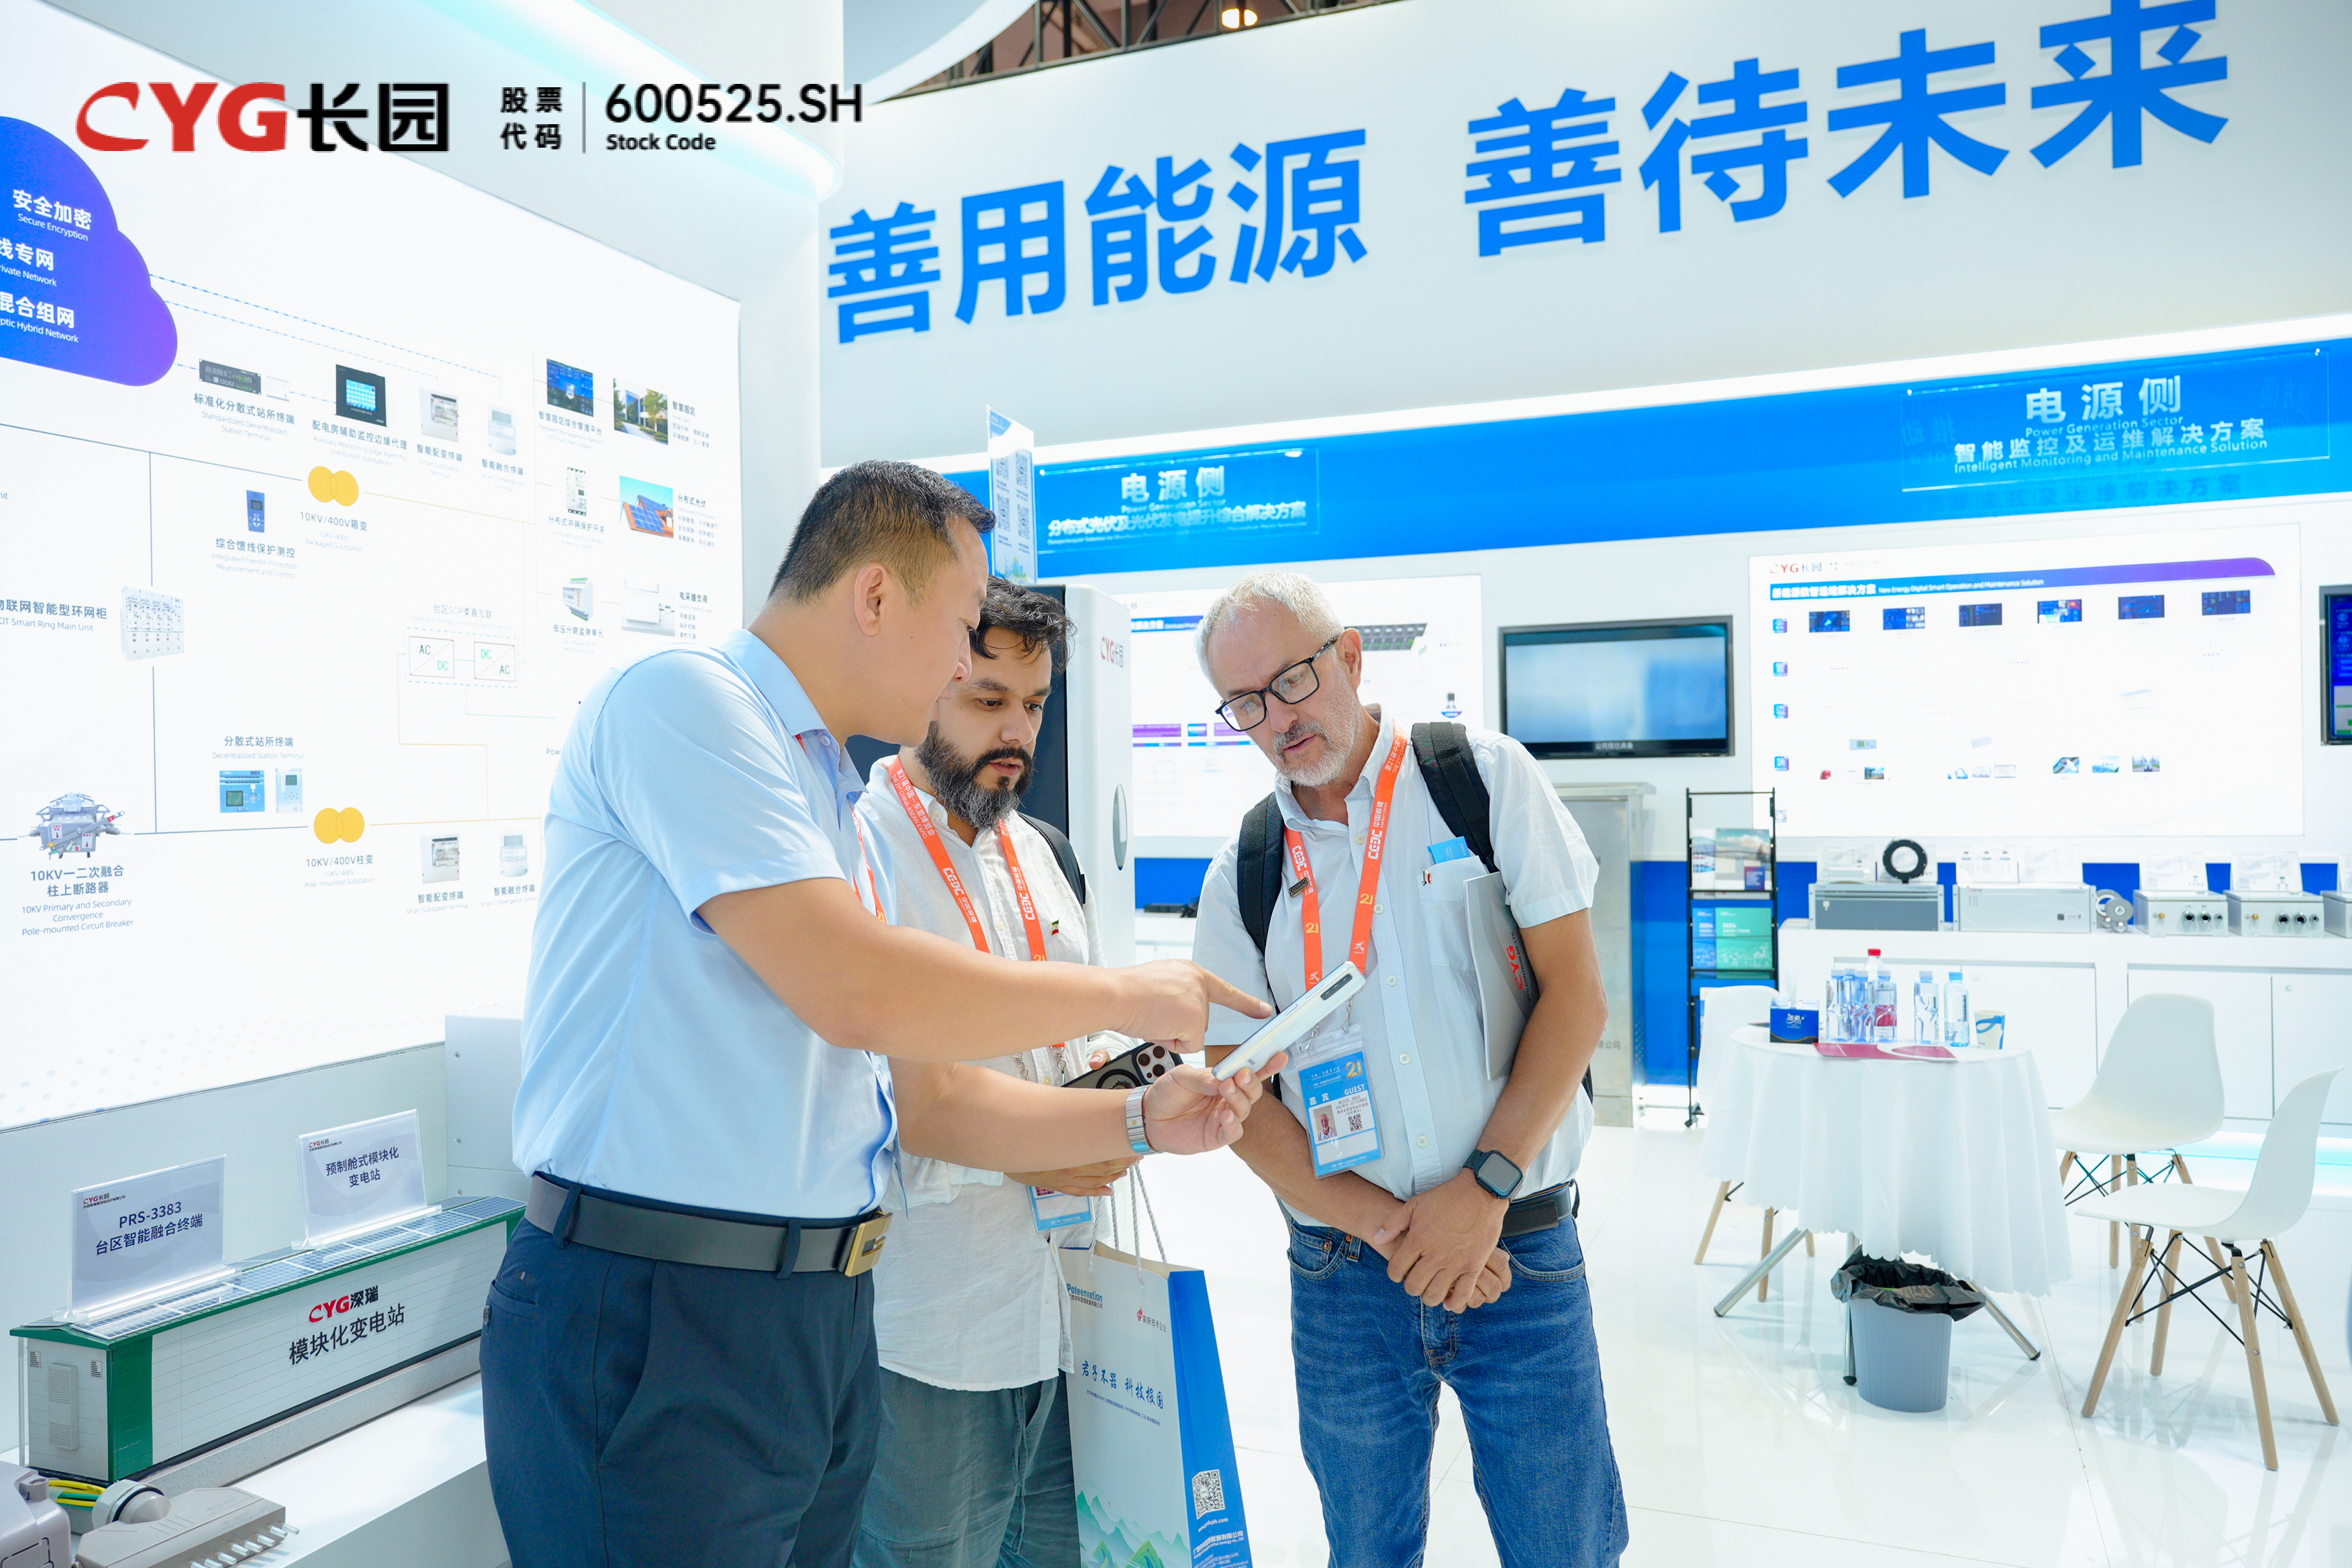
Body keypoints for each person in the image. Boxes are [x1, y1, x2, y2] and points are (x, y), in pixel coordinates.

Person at [481, 462, 1276, 1568]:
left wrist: (1137, 1115)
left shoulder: (821, 785)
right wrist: (1128, 990)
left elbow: (890, 1081)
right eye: (960, 627)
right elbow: (858, 990)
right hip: (660, 1305)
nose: (962, 663)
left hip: (812, 1310)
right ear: (873, 596)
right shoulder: (685, 703)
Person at [1188, 570, 1629, 1568]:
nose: (1278, 718)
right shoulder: (1247, 868)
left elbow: (1577, 998)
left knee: (1563, 1546)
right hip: (1346, 1275)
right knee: (1366, 1549)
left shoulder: (1481, 779)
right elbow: (1235, 1088)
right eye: (1245, 703)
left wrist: (1481, 1193)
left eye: (1292, 680)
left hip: (1518, 1250)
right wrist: (1399, 1231)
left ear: (1349, 657)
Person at [852, 577, 1118, 1568]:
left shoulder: (1039, 852)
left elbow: (1080, 1035)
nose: (1018, 732)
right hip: (932, 1332)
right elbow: (899, 1101)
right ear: (928, 682)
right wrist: (1070, 1138)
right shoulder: (860, 851)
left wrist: (1127, 1095)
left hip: (1065, 1309)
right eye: (989, 700)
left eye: (1035, 705)